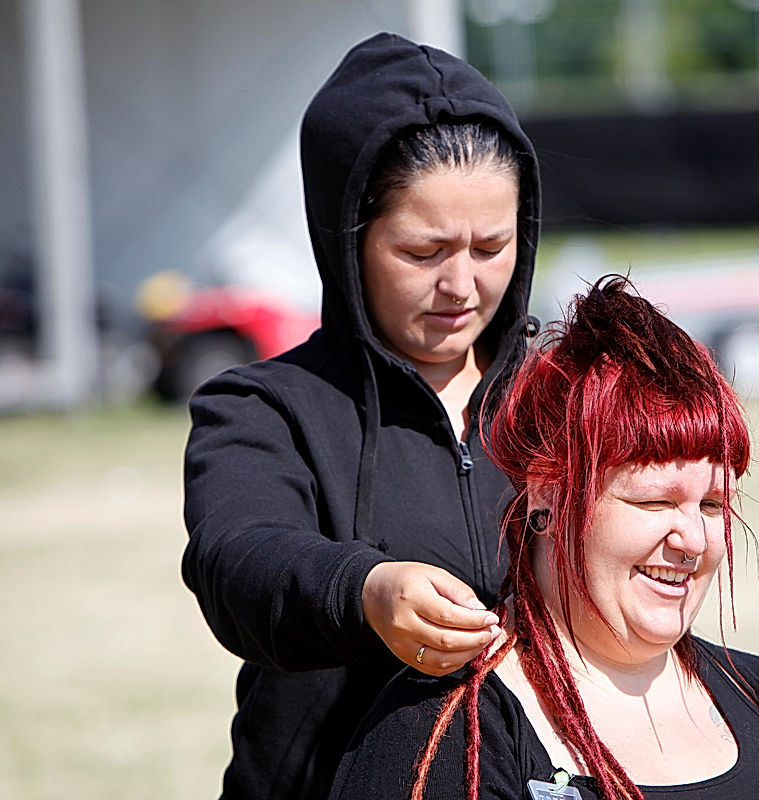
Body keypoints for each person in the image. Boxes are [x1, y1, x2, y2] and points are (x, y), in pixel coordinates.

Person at [330, 276, 759, 800]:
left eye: (713, 504)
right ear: (547, 495)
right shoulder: (444, 738)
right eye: (654, 502)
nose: (693, 539)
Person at [181, 33, 541, 799]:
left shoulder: (563, 393)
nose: (461, 285)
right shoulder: (261, 408)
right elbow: (236, 559)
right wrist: (365, 590)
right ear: (345, 238)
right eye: (423, 251)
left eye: (491, 246)